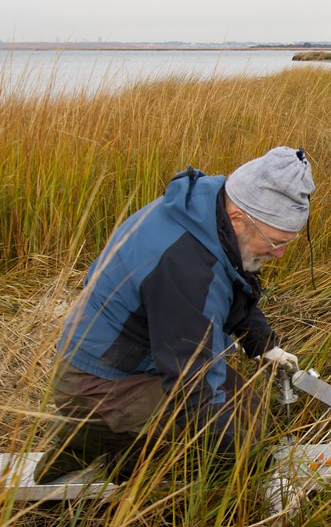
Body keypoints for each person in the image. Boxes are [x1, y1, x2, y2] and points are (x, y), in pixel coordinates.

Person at [34, 146, 314, 484]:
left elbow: (232, 279)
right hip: (98, 381)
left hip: (145, 356)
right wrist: (257, 469)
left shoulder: (208, 209)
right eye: (274, 240)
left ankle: (111, 436)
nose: (280, 254)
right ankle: (89, 441)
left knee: (250, 415)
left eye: (289, 242)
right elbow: (194, 389)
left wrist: (262, 342)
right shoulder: (184, 268)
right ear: (239, 216)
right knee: (208, 451)